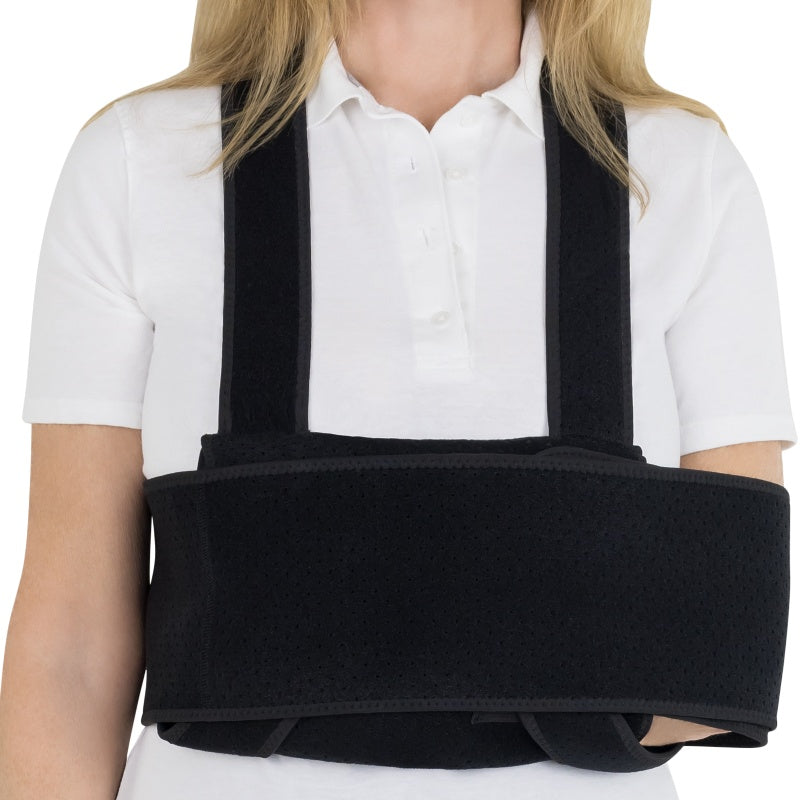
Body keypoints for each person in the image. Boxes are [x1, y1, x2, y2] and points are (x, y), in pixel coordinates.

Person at [0, 0, 795, 798]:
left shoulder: (682, 172)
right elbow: (70, 644)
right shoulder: (141, 161)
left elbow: (722, 655)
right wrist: (543, 644)